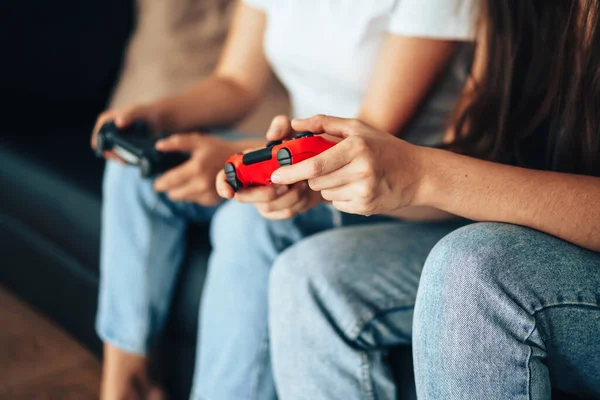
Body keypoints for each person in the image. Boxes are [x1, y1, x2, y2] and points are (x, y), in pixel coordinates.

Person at [92, 0, 475, 399]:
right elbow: (236, 83)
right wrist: (155, 117)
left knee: (251, 222)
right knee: (134, 172)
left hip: (391, 192)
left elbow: (365, 141)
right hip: (300, 159)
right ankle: (125, 384)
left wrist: (232, 159)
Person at [252, 0, 600, 399]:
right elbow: (472, 176)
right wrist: (341, 179)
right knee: (309, 274)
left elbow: (444, 179)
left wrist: (424, 172)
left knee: (473, 266)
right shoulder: (511, 12)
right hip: (528, 243)